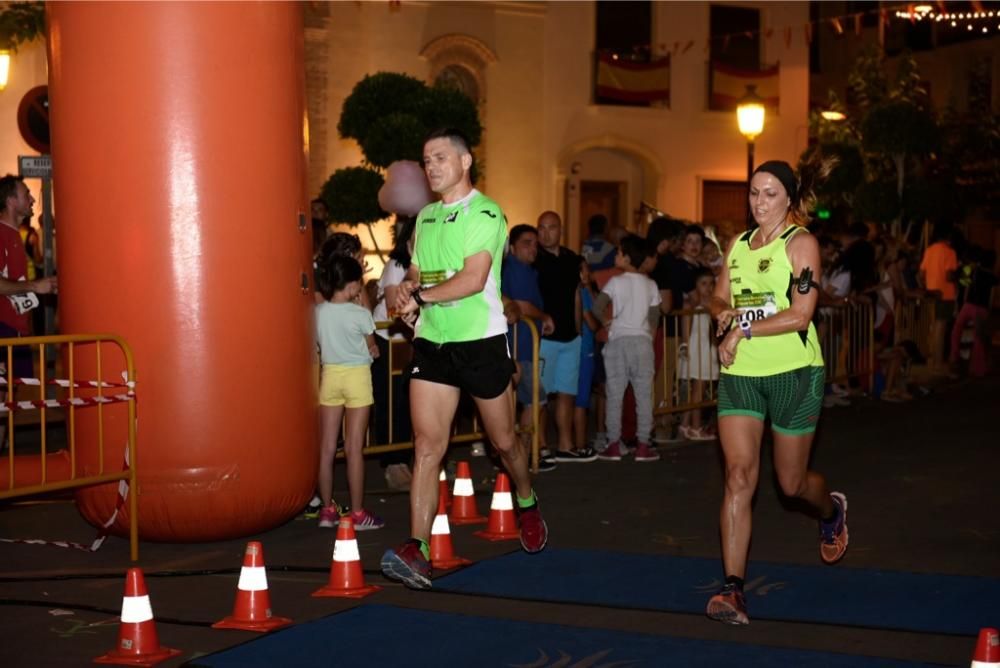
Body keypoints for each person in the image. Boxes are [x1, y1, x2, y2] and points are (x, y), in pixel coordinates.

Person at [381, 128, 547, 590]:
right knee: (427, 446)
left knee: (505, 443)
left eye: (439, 157)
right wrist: (404, 289)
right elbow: (416, 269)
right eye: (425, 159)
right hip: (434, 342)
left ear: (465, 161)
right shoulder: (426, 217)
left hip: (480, 341)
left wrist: (424, 297)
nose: (430, 166)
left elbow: (474, 279)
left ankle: (527, 498)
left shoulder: (487, 213)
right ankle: (418, 548)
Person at [707, 159, 848, 626]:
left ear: (789, 198)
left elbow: (801, 314)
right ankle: (732, 590)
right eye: (753, 193)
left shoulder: (801, 243)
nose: (759, 202)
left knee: (792, 485)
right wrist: (723, 312)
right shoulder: (739, 245)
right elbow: (719, 294)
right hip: (742, 374)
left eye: (770, 194)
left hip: (794, 371)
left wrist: (741, 331)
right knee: (739, 476)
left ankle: (831, 510)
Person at [314, 253, 384, 531]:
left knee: (327, 447)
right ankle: (356, 513)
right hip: (357, 378)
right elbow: (372, 347)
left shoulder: (318, 313)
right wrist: (373, 349)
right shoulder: (360, 314)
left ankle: (327, 510)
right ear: (354, 285)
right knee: (355, 447)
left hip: (329, 376)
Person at [592, 234, 662, 463]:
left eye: (620, 252)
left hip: (617, 342)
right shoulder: (651, 284)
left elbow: (597, 307)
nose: (616, 255)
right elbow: (655, 318)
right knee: (643, 396)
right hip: (642, 343)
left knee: (614, 394)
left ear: (629, 257)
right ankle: (643, 445)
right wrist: (647, 339)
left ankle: (613, 444)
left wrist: (605, 323)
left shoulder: (615, 282)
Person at [535, 211, 594, 463]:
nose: (547, 232)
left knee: (567, 392)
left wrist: (579, 331)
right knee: (540, 395)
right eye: (542, 228)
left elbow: (576, 296)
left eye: (552, 227)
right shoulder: (534, 259)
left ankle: (566, 445)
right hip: (545, 338)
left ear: (561, 229)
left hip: (571, 337)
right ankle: (540, 446)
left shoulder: (572, 259)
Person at [501, 224, 556, 470]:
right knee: (535, 400)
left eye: (535, 243)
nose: (534, 247)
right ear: (512, 247)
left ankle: (518, 454)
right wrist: (543, 317)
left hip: (522, 345)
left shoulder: (523, 269)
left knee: (521, 402)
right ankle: (519, 455)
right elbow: (521, 305)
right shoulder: (516, 269)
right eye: (527, 243)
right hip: (519, 347)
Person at [371, 218, 416, 490]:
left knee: (410, 400)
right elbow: (392, 307)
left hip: (413, 341)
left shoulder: (429, 263)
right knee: (391, 401)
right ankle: (393, 462)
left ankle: (407, 458)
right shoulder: (396, 266)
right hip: (390, 340)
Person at [0, 175, 57, 379]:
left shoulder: (14, 234)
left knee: (12, 394)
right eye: (27, 195)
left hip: (17, 329)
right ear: (11, 201)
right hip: (4, 329)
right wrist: (34, 286)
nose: (32, 199)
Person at [678, 267, 719, 441]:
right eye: (703, 284)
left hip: (706, 346)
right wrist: (685, 345)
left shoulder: (712, 303)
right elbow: (686, 326)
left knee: (698, 388)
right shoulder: (692, 304)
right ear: (695, 286)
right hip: (698, 347)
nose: (708, 288)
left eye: (711, 284)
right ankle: (696, 427)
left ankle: (685, 424)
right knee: (698, 388)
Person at [949, 247, 996, 377]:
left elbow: (966, 288)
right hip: (981, 308)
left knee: (956, 330)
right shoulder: (993, 277)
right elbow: (992, 297)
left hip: (968, 305)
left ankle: (954, 357)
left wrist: (963, 303)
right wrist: (988, 311)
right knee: (979, 338)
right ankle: (977, 368)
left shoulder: (972, 271)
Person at [919, 224, 959, 372]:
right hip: (945, 294)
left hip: (931, 293)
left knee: (933, 328)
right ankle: (938, 362)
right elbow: (949, 276)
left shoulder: (929, 250)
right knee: (941, 328)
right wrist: (957, 275)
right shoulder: (950, 252)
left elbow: (921, 274)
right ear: (949, 236)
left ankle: (932, 360)